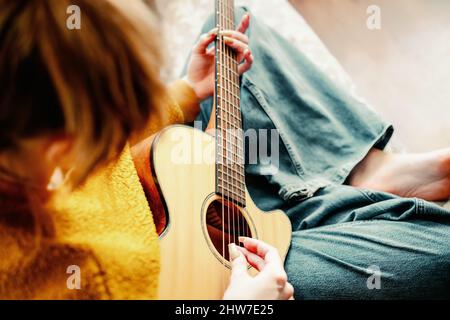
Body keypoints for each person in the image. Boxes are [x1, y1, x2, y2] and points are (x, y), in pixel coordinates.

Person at [0, 0, 292, 299]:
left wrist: (189, 89)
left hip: (156, 170)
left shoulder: (28, 135)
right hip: (196, 268)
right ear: (62, 148)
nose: (135, 115)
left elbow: (115, 135)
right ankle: (307, 197)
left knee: (231, 29)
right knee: (329, 240)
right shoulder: (82, 275)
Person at [192, 7, 450, 299]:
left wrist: (187, 90)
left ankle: (366, 169)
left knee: (226, 31)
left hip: (164, 191)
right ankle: (341, 188)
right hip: (213, 278)